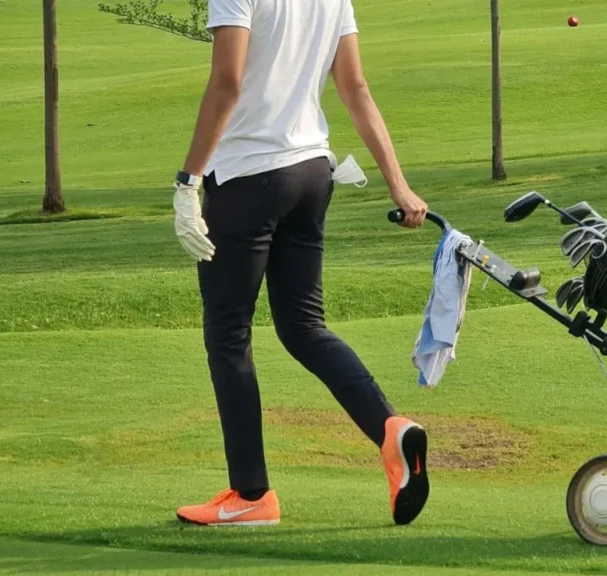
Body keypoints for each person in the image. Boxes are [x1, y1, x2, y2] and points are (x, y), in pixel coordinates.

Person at [170, 0, 431, 527]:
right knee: (304, 326)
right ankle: (390, 429)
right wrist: (398, 183)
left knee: (228, 335)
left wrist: (188, 181)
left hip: (246, 176)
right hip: (311, 173)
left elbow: (227, 81)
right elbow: (354, 88)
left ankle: (251, 495)